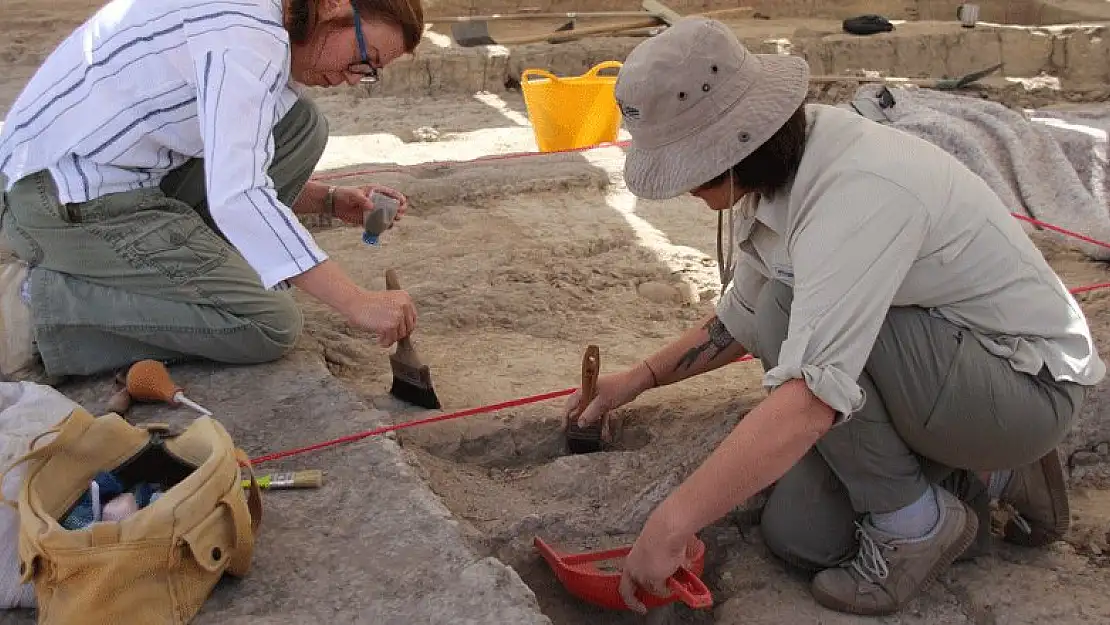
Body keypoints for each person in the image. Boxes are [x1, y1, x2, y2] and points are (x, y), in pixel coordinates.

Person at [563, 17, 1106, 616]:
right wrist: (637, 380)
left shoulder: (855, 194)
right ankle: (993, 481)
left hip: (1024, 385)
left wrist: (669, 523)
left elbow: (809, 399)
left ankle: (916, 525)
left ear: (735, 146)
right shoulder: (772, 178)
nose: (684, 185)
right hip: (946, 372)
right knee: (801, 536)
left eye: (686, 165)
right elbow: (737, 323)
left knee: (789, 311)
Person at [0, 0, 424, 384]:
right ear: (334, 5)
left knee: (301, 126)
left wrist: (328, 200)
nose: (355, 79)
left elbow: (235, 160)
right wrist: (355, 301)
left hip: (114, 174)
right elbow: (238, 192)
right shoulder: (249, 37)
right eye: (364, 60)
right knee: (269, 324)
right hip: (59, 197)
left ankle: (198, 272)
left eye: (368, 73)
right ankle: (36, 307)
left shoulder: (267, 22)